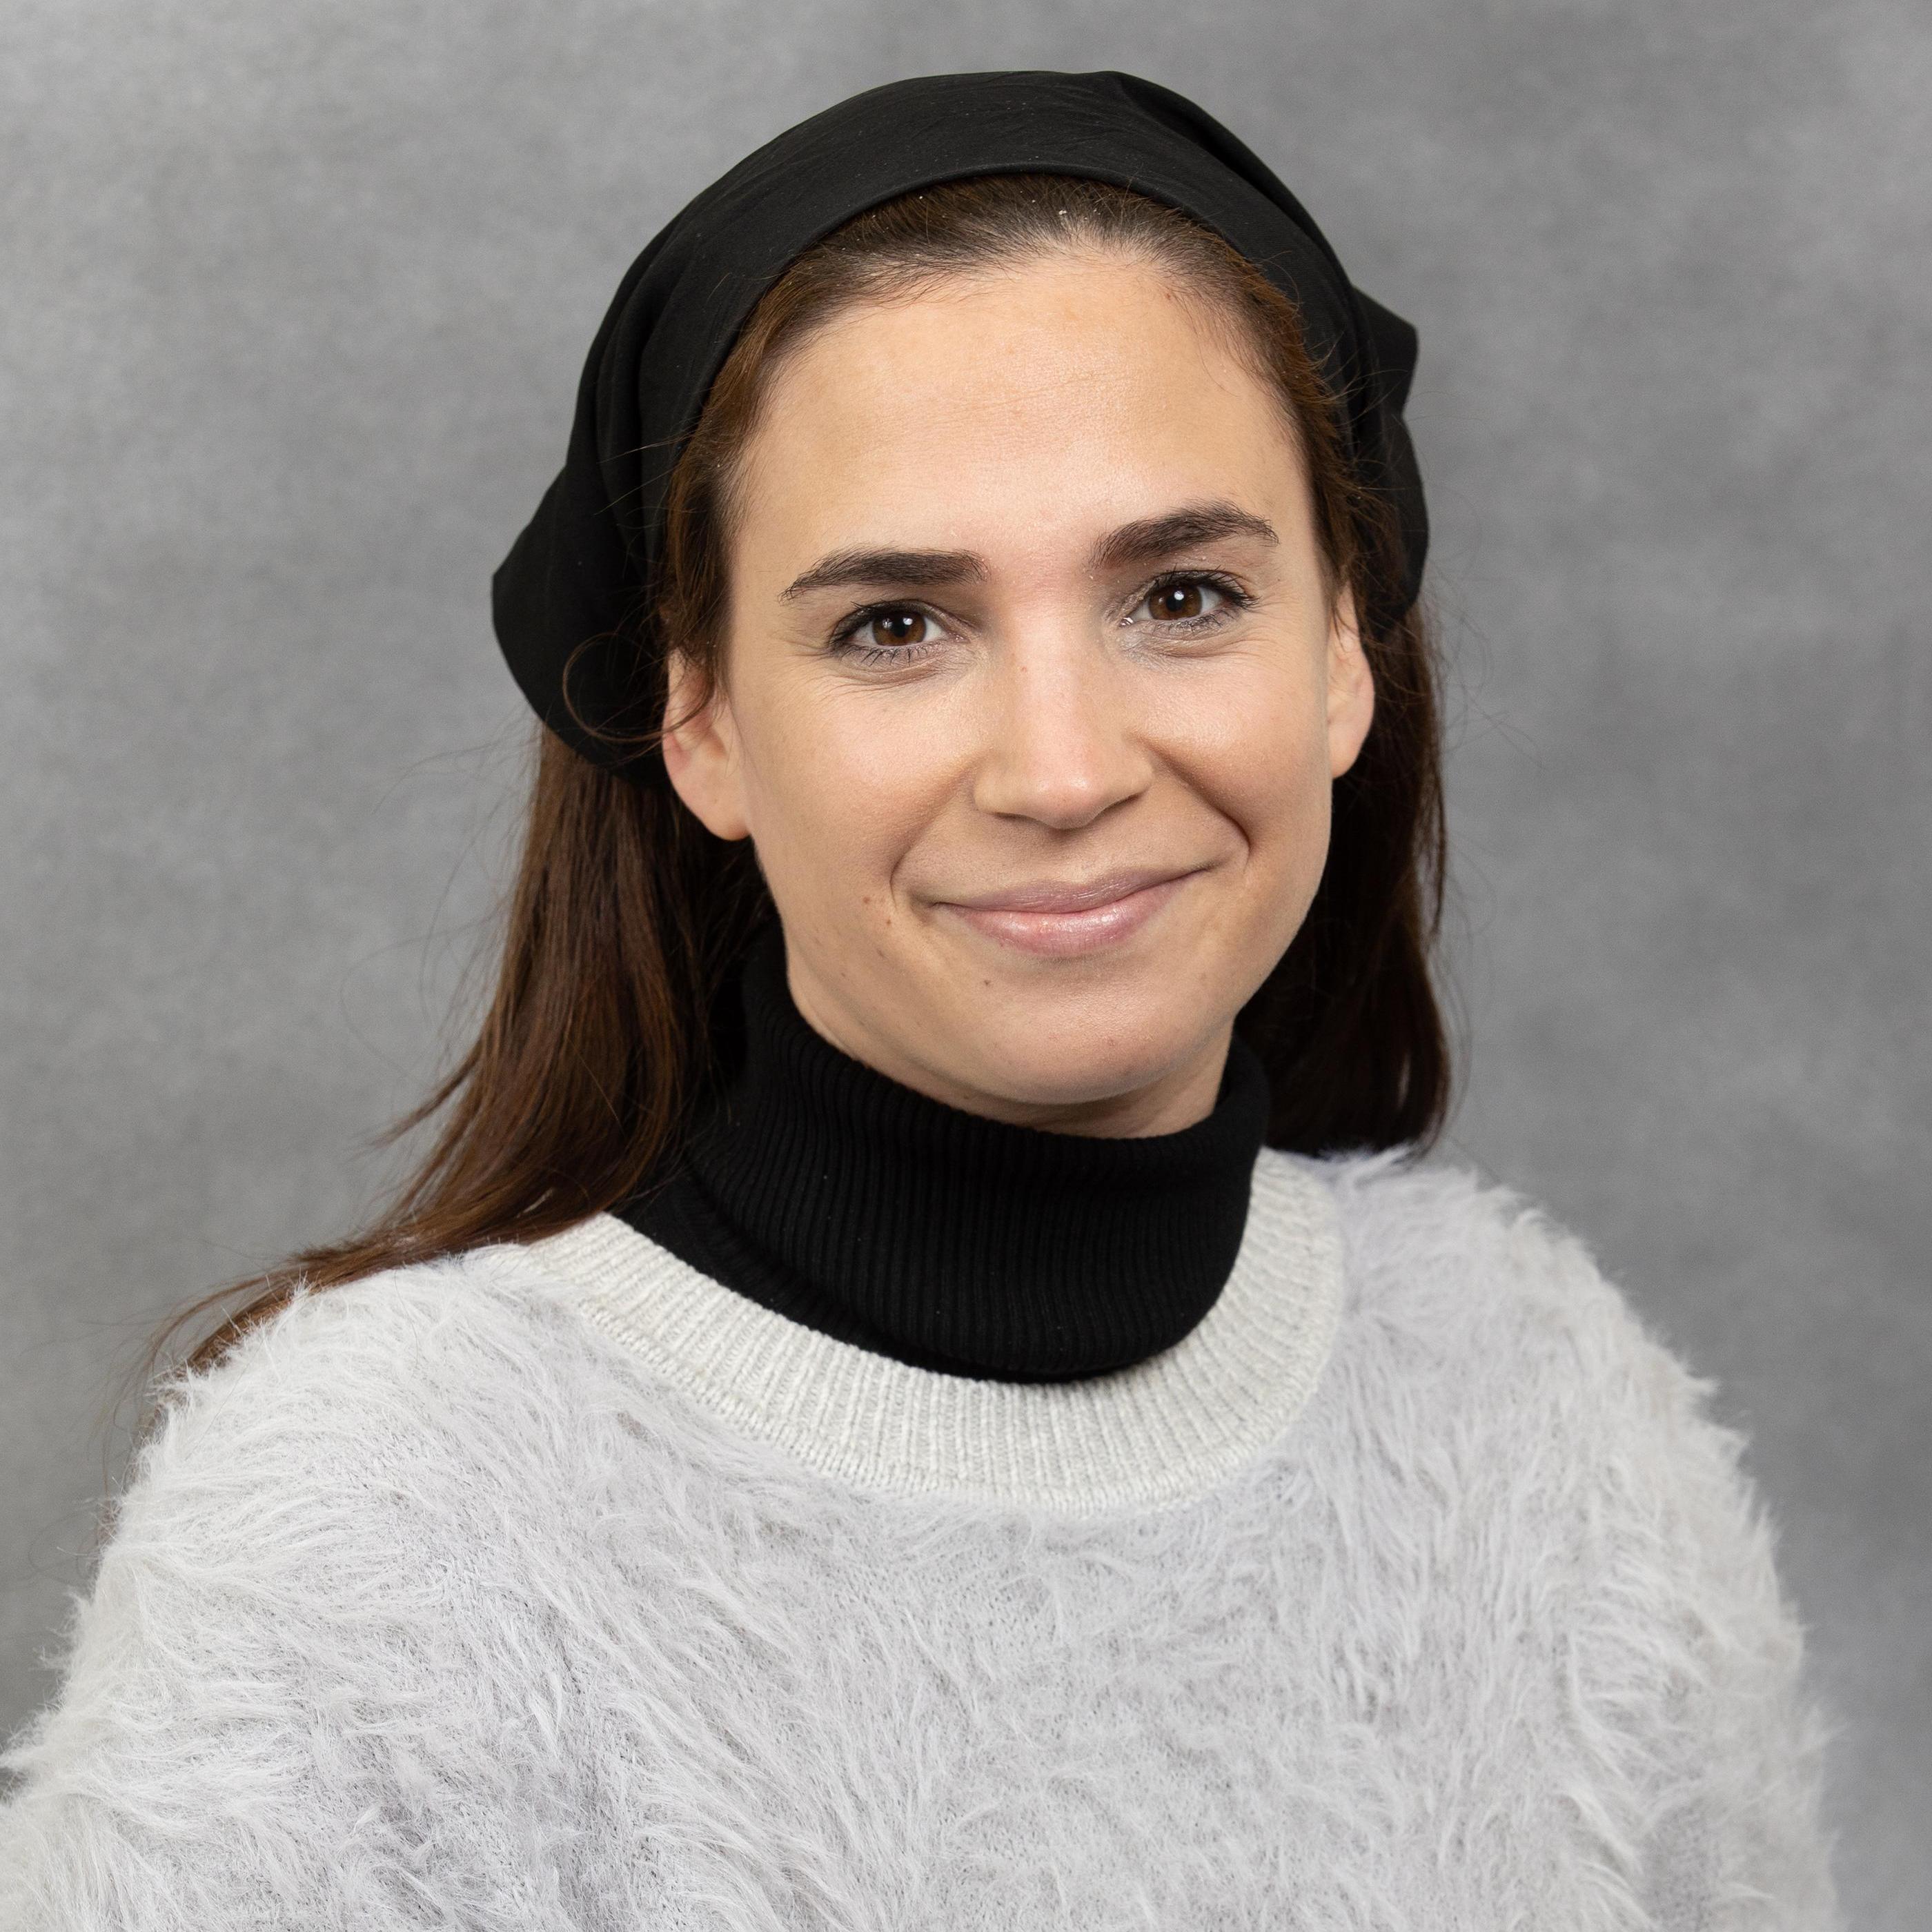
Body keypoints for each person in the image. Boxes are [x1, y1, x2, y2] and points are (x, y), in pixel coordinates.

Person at [0, 70, 1839, 1928]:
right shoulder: (369, 1532)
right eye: (897, 627)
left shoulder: (1546, 1403)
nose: (1064, 770)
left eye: (1183, 596)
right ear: (701, 720)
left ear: (1345, 649)